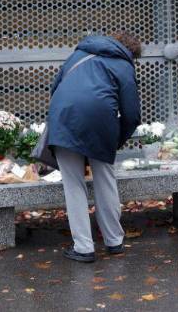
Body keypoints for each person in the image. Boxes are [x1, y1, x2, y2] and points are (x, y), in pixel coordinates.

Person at [46, 32, 142, 263]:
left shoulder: (80, 53)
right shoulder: (124, 65)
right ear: (132, 54)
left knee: (73, 184)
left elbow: (55, 87)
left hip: (64, 118)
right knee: (105, 178)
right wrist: (115, 141)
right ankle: (114, 241)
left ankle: (84, 248)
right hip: (101, 122)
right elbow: (131, 114)